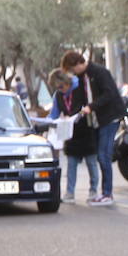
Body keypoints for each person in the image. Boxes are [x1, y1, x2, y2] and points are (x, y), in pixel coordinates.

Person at [61, 50, 125, 207]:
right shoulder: (82, 77)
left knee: (104, 155)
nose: (72, 73)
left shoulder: (99, 72)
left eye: (72, 69)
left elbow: (109, 94)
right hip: (98, 120)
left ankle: (107, 194)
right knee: (100, 156)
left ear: (78, 63)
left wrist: (91, 106)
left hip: (110, 118)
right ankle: (103, 193)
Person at [46, 69, 98, 203]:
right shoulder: (58, 95)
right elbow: (54, 114)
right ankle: (69, 193)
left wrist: (81, 113)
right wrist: (49, 121)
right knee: (71, 164)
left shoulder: (81, 88)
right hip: (69, 133)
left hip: (86, 130)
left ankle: (94, 191)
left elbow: (90, 104)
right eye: (57, 88)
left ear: (67, 82)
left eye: (61, 86)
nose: (60, 89)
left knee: (91, 163)